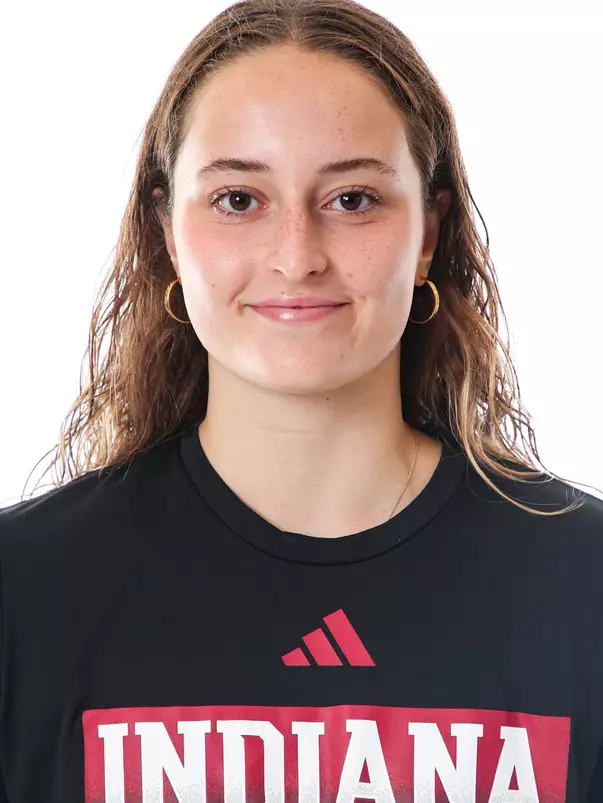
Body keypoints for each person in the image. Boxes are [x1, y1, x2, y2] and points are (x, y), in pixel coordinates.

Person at [0, 0, 602, 800]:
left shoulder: (581, 586)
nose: (296, 258)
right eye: (238, 200)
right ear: (168, 232)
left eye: (352, 198)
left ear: (427, 231)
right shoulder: (25, 592)